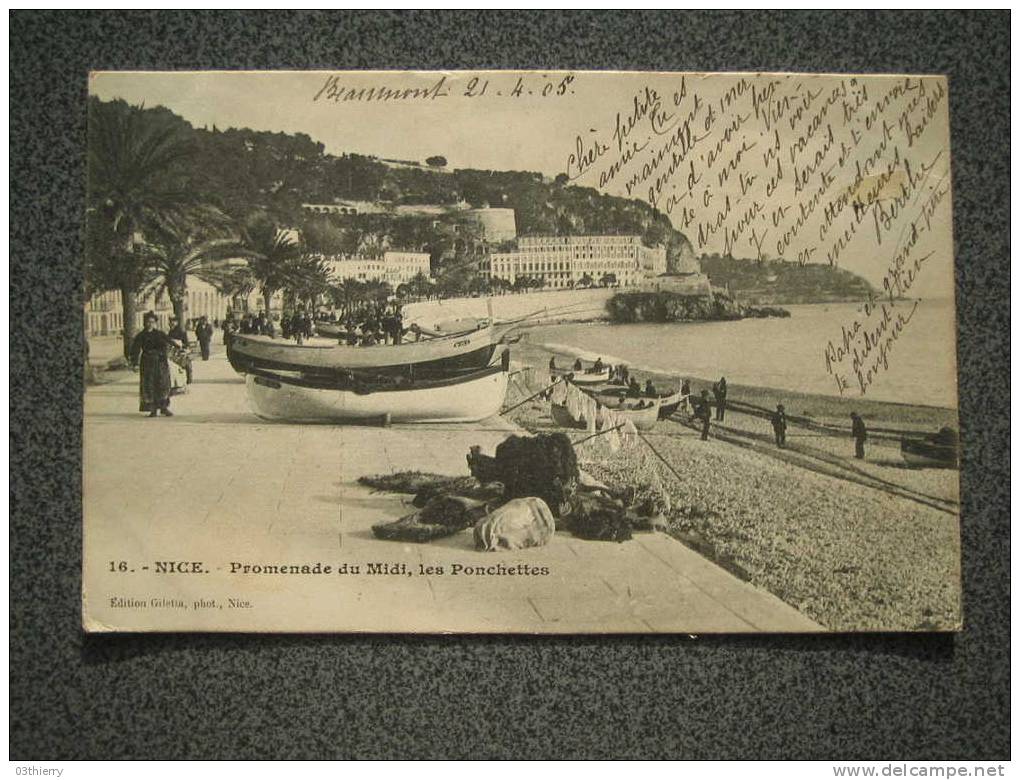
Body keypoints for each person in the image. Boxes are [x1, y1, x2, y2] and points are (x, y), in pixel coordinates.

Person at [129, 312, 175, 417]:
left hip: (160, 362)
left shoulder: (160, 334)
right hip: (147, 363)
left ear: (155, 323)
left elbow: (169, 342)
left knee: (162, 384)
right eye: (148, 322)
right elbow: (135, 349)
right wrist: (134, 362)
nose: (150, 324)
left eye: (152, 322)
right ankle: (153, 409)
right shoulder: (141, 335)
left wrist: (179, 347)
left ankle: (164, 407)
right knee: (149, 385)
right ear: (145, 323)